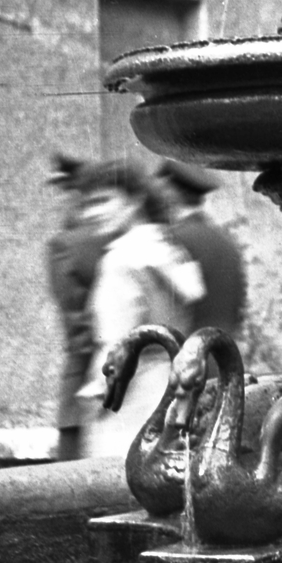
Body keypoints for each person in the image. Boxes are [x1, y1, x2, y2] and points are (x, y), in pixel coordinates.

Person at [76, 161, 206, 462]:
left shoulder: (119, 262)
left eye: (103, 201)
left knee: (117, 493)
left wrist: (95, 396)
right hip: (172, 388)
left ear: (134, 201)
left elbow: (115, 345)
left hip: (129, 399)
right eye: (88, 205)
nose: (93, 213)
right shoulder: (166, 249)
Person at [44, 154, 108, 463]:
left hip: (84, 379)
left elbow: (77, 326)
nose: (57, 204)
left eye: (62, 193)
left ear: (77, 195)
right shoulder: (117, 236)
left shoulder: (65, 245)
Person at [154, 160, 246, 335]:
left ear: (169, 192)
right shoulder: (224, 240)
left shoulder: (175, 239)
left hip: (188, 352)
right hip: (225, 351)